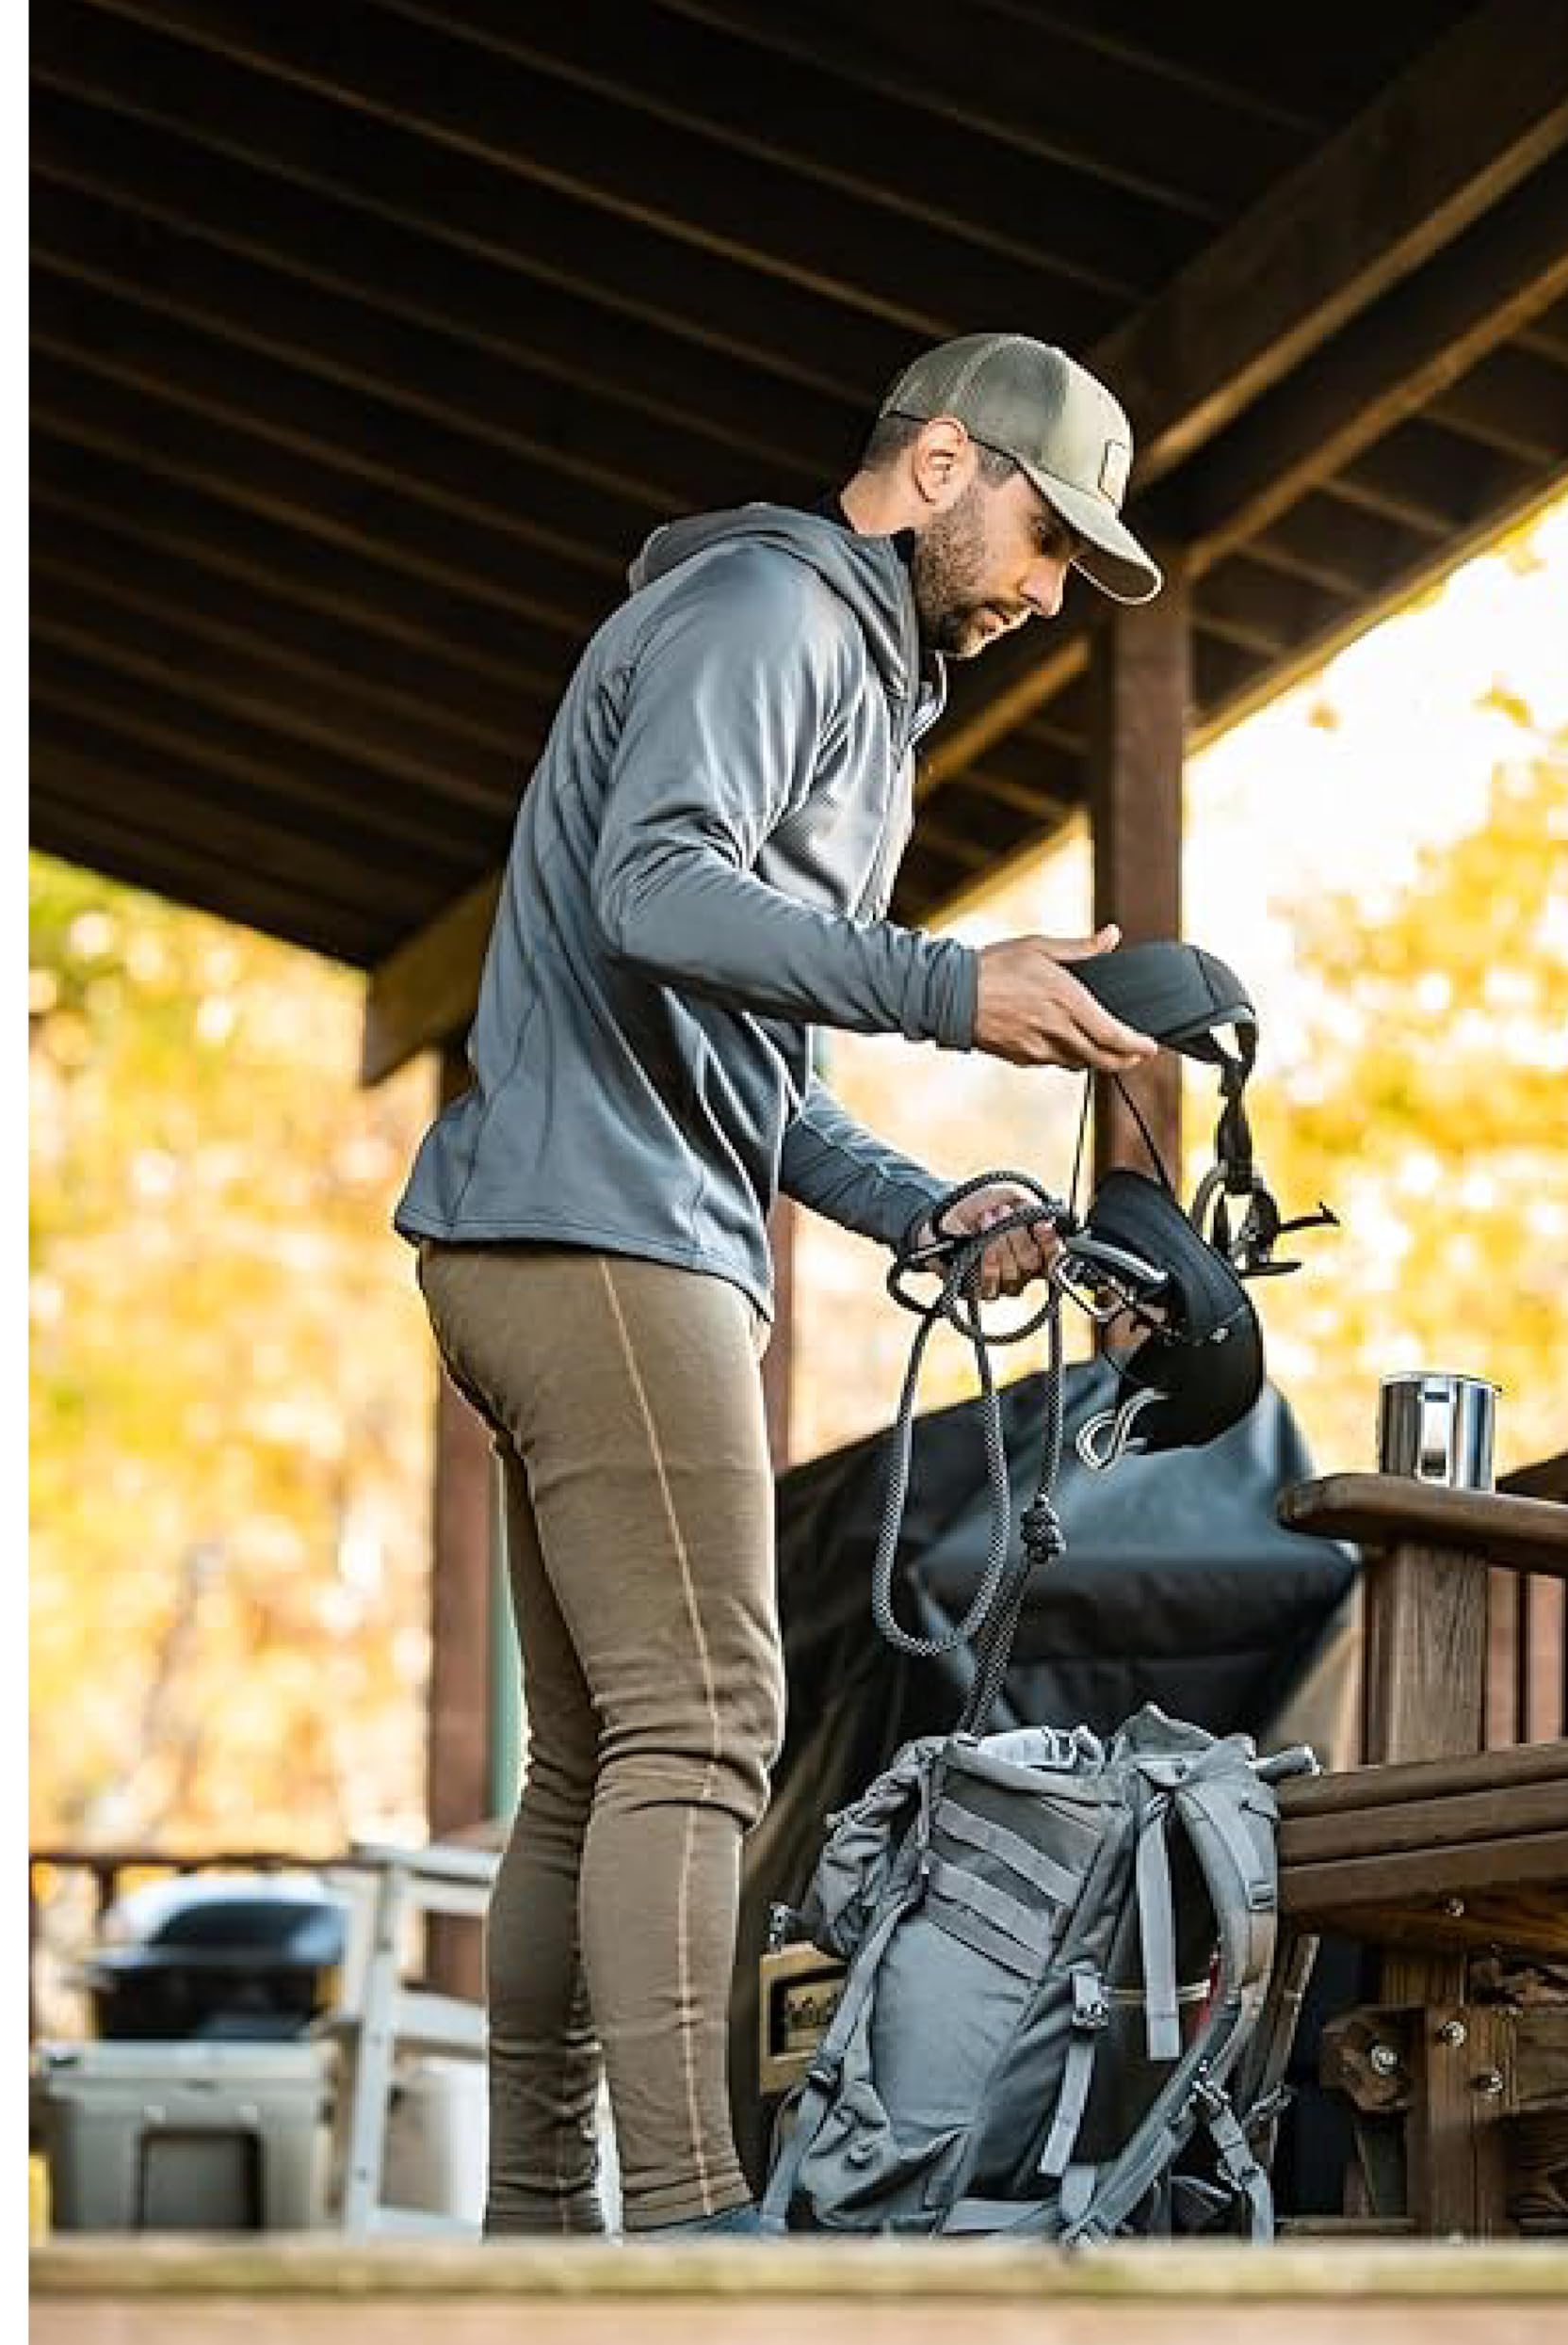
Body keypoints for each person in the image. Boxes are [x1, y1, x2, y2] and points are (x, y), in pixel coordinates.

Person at [394, 332, 1165, 2237]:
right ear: (941, 464)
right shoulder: (774, 614)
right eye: (1046, 540)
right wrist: (950, 985)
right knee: (712, 1719)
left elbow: (756, 1076)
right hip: (606, 1237)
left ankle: (538, 2233)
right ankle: (687, 2232)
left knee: (595, 1758)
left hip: (567, 1232)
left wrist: (929, 1210)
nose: (1047, 591)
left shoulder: (848, 679)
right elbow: (654, 889)